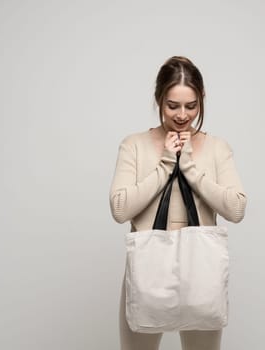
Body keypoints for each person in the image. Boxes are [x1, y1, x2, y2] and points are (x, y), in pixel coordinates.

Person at [109, 56, 247, 350]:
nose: (183, 114)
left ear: (202, 100)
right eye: (173, 105)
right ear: (159, 99)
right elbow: (120, 210)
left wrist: (192, 170)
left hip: (201, 274)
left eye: (191, 105)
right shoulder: (134, 144)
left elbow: (236, 209)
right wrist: (165, 164)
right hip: (147, 273)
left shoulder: (216, 148)